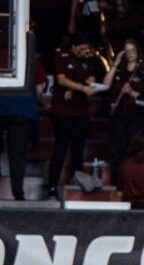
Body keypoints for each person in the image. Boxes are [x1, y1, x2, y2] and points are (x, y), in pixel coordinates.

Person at [47, 33, 97, 198]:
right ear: (73, 47)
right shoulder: (62, 57)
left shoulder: (88, 60)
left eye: (86, 49)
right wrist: (81, 88)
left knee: (78, 149)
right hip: (62, 111)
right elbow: (61, 80)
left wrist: (74, 87)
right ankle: (52, 186)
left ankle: (77, 185)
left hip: (81, 112)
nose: (84, 52)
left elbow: (91, 80)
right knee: (60, 147)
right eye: (81, 49)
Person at [0, 48, 48, 200]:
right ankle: (18, 193)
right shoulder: (30, 58)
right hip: (23, 108)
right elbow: (40, 88)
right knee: (18, 154)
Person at [103, 38, 144, 175]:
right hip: (119, 112)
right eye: (127, 51)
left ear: (138, 53)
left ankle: (133, 179)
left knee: (134, 148)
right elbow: (106, 85)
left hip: (136, 113)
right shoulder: (119, 73)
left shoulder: (143, 75)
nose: (130, 54)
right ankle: (117, 181)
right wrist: (115, 64)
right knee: (116, 148)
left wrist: (131, 92)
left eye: (133, 51)